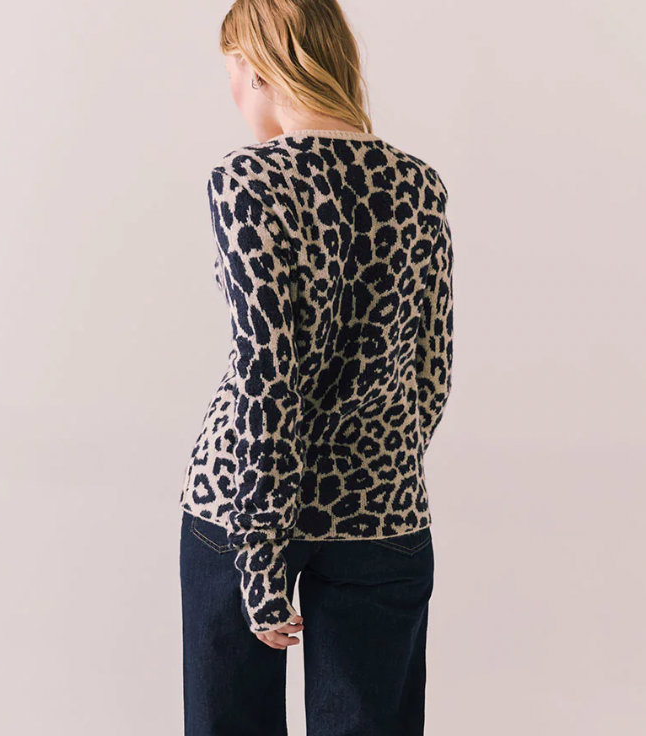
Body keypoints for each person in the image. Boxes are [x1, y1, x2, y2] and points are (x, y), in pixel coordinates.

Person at [178, 1, 454, 734]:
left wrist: (260, 551)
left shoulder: (247, 180)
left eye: (230, 71)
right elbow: (432, 365)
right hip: (382, 501)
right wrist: (377, 462)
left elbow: (267, 374)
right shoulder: (419, 184)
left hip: (241, 500)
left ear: (258, 69)